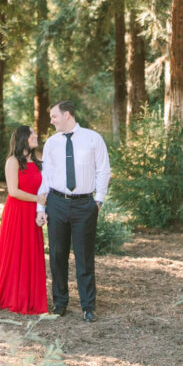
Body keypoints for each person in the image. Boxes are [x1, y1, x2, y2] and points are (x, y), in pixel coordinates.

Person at [36, 100, 110, 323]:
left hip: (84, 205)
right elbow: (45, 177)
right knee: (57, 255)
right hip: (57, 203)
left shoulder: (93, 138)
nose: (51, 120)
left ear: (67, 115)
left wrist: (98, 201)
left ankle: (88, 306)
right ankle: (60, 303)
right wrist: (41, 207)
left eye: (54, 116)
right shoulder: (51, 143)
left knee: (84, 257)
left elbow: (103, 171)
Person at [0, 125, 48, 314]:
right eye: (32, 134)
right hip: (17, 211)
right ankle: (11, 297)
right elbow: (13, 191)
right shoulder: (12, 161)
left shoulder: (39, 162)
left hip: (33, 213)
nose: (36, 135)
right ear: (23, 138)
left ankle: (30, 298)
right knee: (14, 252)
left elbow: (44, 187)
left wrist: (41, 208)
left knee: (31, 253)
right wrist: (37, 199)